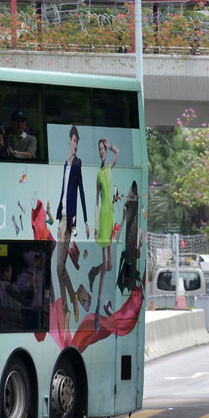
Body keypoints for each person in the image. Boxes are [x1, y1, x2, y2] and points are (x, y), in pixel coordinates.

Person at [55, 124, 89, 330]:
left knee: (60, 267)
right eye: (73, 140)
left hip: (70, 222)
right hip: (61, 218)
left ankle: (70, 303)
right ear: (69, 140)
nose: (75, 144)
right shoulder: (65, 164)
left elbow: (82, 192)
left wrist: (84, 221)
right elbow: (63, 191)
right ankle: (67, 308)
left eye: (77, 141)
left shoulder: (77, 163)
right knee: (59, 269)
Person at [89, 138, 120, 328]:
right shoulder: (99, 174)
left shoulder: (109, 168)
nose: (102, 151)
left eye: (103, 149)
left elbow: (118, 152)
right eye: (100, 149)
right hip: (103, 219)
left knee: (108, 267)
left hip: (111, 218)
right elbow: (96, 202)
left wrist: (110, 145)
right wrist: (94, 226)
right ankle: (97, 314)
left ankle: (94, 270)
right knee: (106, 269)